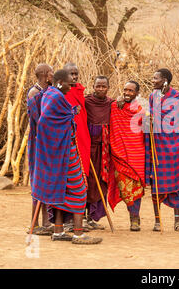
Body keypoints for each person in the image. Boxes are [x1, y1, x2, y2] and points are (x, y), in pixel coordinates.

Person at [31, 69, 102, 245]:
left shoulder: (49, 94)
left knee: (61, 192)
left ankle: (58, 231)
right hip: (63, 152)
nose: (72, 87)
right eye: (70, 84)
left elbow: (56, 117)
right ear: (61, 82)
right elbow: (47, 121)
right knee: (79, 189)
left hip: (55, 153)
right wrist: (71, 114)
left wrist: (71, 113)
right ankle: (78, 234)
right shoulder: (56, 98)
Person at [145, 68, 179, 232]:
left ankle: (177, 221)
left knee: (176, 183)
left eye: (155, 78)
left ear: (165, 80)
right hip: (157, 144)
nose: (152, 81)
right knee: (156, 182)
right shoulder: (152, 96)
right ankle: (157, 221)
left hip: (175, 144)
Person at [107, 81, 146, 231]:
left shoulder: (141, 110)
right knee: (125, 188)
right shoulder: (115, 107)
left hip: (137, 154)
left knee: (137, 186)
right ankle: (133, 216)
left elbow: (146, 129)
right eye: (125, 90)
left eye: (131, 91)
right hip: (119, 154)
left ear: (137, 93)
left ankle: (135, 219)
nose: (127, 93)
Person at [26, 63, 54, 236]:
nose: (53, 74)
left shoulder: (48, 92)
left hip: (46, 141)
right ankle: (34, 223)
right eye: (51, 72)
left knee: (46, 181)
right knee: (38, 181)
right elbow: (40, 121)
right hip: (38, 141)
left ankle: (46, 222)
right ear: (44, 74)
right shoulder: (34, 93)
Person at [63, 62, 91, 231]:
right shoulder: (61, 93)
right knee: (68, 181)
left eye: (76, 74)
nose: (74, 77)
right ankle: (67, 220)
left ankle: (79, 219)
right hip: (68, 141)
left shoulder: (80, 91)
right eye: (70, 74)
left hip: (82, 139)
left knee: (82, 180)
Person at [84, 76, 114, 230]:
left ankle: (91, 217)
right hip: (87, 148)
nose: (101, 89)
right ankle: (81, 217)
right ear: (93, 86)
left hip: (103, 151)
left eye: (104, 86)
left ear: (108, 88)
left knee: (100, 183)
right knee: (86, 181)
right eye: (98, 86)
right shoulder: (86, 102)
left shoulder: (111, 103)